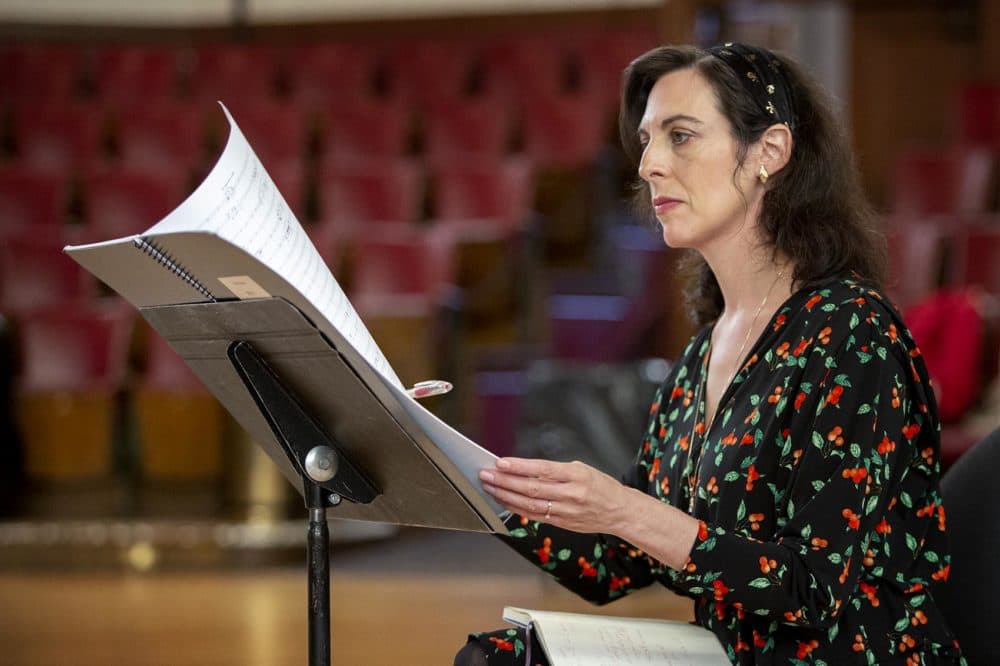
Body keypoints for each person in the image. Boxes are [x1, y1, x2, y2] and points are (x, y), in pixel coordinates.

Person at [455, 43, 965, 665]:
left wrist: (623, 509)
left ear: (769, 153)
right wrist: (471, 485)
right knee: (499, 657)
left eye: (681, 136)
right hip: (732, 652)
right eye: (646, 141)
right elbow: (616, 565)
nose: (649, 164)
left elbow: (810, 588)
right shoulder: (704, 352)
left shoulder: (849, 333)